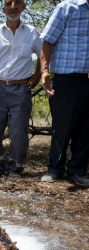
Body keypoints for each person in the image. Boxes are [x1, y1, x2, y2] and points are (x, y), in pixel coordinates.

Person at [0, 0, 42, 179]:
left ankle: (15, 167)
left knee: (19, 131)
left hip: (21, 89)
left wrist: (38, 75)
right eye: (9, 3)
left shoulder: (32, 33)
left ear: (24, 6)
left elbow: (43, 55)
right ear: (3, 9)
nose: (13, 6)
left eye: (17, 2)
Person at [39, 0, 89, 187]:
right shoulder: (67, 7)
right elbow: (47, 41)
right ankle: (54, 169)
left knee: (86, 130)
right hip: (67, 79)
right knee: (62, 127)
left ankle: (77, 171)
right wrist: (44, 72)